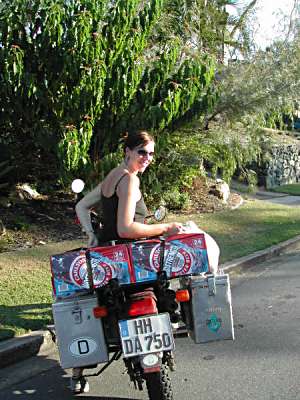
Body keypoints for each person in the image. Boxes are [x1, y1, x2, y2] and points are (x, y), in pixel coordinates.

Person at [71, 130, 184, 394]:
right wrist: (164, 227)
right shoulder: (130, 181)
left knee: (94, 307)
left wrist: (91, 235)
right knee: (165, 289)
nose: (147, 158)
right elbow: (125, 229)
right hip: (131, 261)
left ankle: (77, 373)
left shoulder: (113, 176)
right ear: (128, 151)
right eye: (142, 152)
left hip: (107, 260)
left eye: (151, 153)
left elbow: (81, 207)